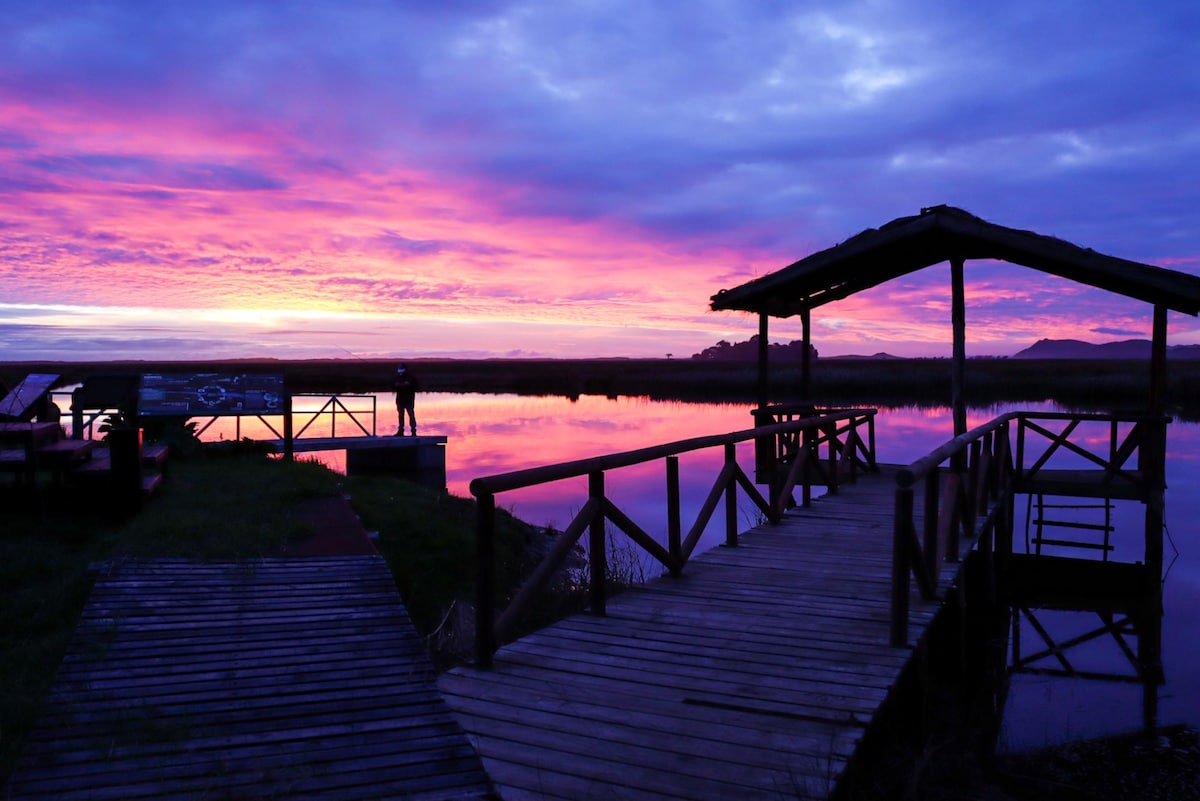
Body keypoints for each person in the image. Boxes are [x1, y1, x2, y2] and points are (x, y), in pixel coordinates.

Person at [392, 363, 418, 436]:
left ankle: (413, 431)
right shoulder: (396, 377)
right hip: (400, 400)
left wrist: (407, 385)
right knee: (400, 416)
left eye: (401, 368)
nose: (400, 370)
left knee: (411, 415)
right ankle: (400, 431)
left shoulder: (411, 377)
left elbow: (415, 386)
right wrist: (397, 385)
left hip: (408, 400)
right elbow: (393, 386)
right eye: (399, 368)